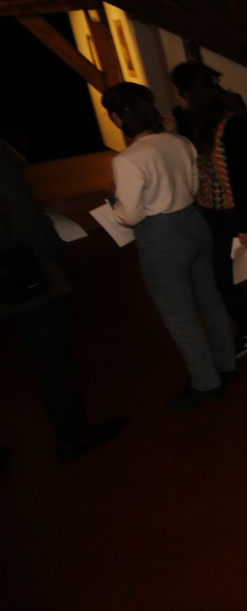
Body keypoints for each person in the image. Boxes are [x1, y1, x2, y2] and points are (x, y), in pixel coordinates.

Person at [103, 82, 236, 410]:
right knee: (210, 301)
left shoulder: (128, 159)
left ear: (118, 118)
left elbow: (130, 216)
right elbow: (193, 186)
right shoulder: (180, 142)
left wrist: (116, 203)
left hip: (162, 236)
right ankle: (226, 366)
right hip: (194, 223)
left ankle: (206, 383)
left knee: (179, 315)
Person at [0, 137, 128, 463]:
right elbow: (27, 222)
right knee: (49, 357)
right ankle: (73, 435)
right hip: (20, 278)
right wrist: (58, 252)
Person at [171, 62, 247, 367]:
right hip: (213, 214)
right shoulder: (190, 120)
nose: (175, 97)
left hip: (246, 215)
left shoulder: (233, 124)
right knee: (223, 278)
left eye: (177, 90)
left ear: (189, 92)